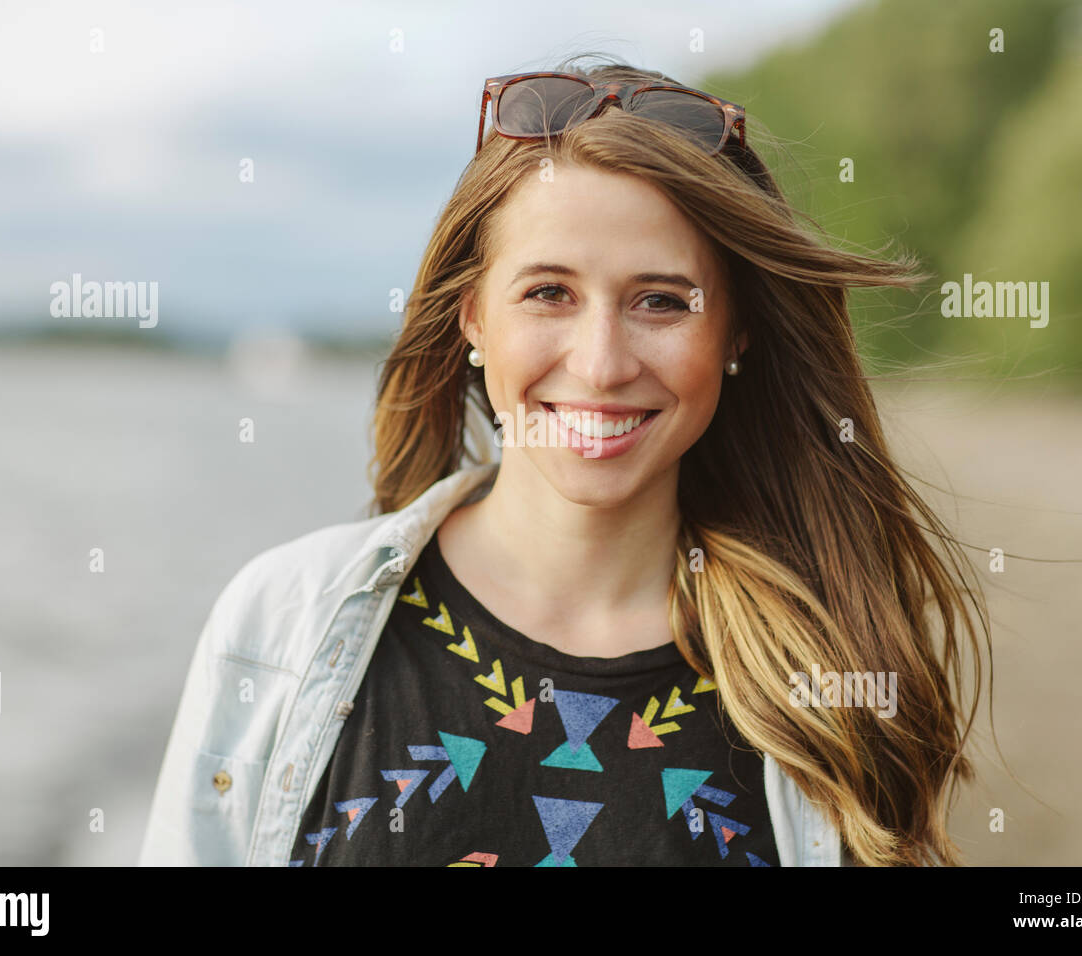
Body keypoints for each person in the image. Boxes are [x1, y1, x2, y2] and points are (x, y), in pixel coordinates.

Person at [138, 55, 992, 867]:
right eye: (550, 293)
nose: (601, 363)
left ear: (736, 334)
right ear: (472, 317)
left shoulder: (825, 670)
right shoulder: (280, 622)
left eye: (661, 301)